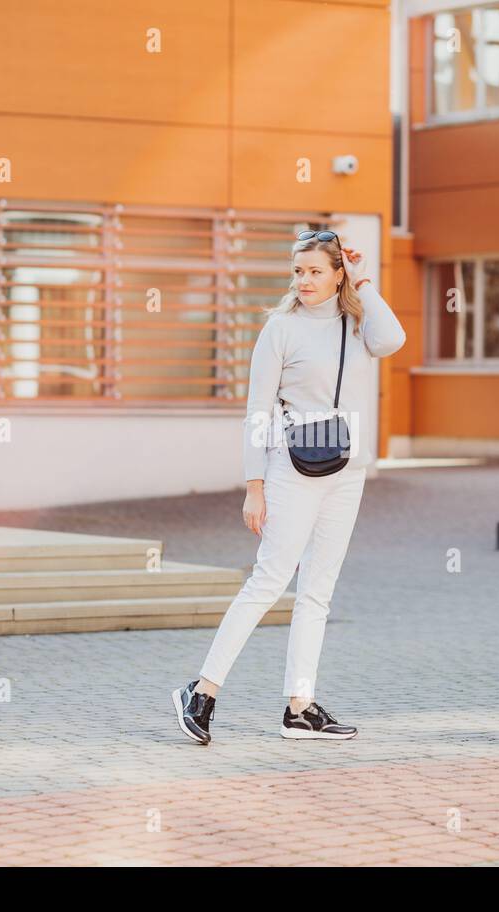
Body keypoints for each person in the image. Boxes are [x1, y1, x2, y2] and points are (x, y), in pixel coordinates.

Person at [171, 229, 406, 744]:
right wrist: (253, 485)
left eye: (316, 270)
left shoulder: (358, 321)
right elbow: (257, 411)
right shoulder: (280, 328)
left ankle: (300, 708)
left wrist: (364, 282)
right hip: (290, 469)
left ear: (338, 271)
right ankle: (202, 691)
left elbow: (392, 341)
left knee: (317, 592)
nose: (303, 280)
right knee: (269, 581)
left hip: (347, 470)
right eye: (298, 271)